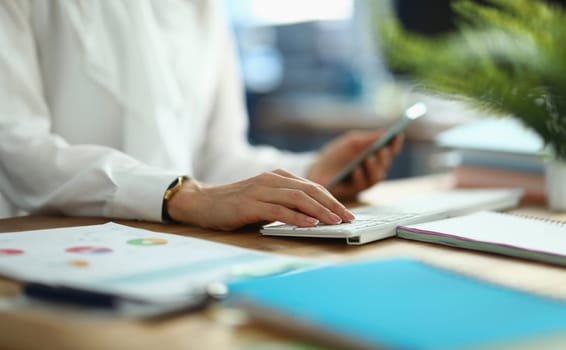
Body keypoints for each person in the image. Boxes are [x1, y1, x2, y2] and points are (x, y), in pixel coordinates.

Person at [0, 1, 403, 230]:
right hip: (45, 253)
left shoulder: (205, 9)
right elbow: (19, 153)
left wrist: (312, 175)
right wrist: (183, 196)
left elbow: (218, 158)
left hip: (172, 248)